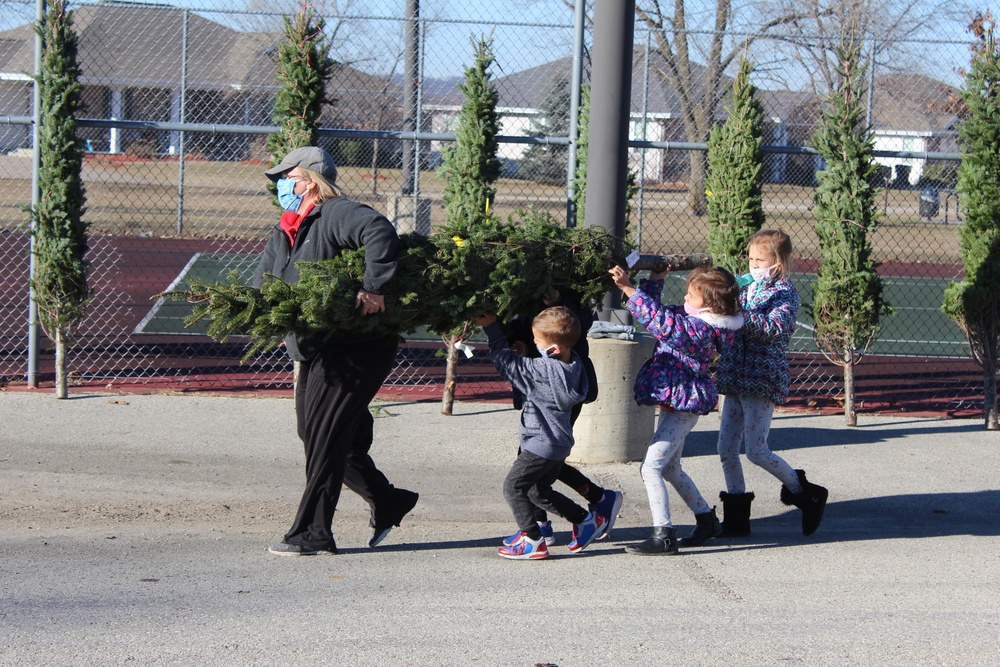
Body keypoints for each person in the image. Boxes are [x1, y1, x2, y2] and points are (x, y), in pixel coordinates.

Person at [253, 146, 418, 556]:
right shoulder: (287, 227)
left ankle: (313, 533)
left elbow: (379, 231)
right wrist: (261, 315)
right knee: (314, 433)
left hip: (355, 345)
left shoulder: (336, 212)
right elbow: (264, 280)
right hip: (316, 345)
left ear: (309, 180)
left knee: (325, 437)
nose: (280, 186)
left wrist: (374, 287)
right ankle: (386, 498)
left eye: (287, 178)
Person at [609, 263, 744, 555]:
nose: (685, 298)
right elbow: (658, 312)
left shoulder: (701, 330)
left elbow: (663, 324)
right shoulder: (697, 317)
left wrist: (629, 288)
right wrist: (655, 280)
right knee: (670, 467)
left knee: (651, 468)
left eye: (691, 296)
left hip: (684, 405)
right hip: (677, 401)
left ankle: (664, 534)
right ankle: (706, 520)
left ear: (709, 305)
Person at [714, 229, 828, 538]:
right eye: (750, 258)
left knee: (756, 449)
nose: (752, 264)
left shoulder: (784, 291)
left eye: (759, 259)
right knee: (725, 447)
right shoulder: (744, 286)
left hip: (762, 376)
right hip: (736, 373)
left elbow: (776, 327)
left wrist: (739, 317)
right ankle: (736, 519)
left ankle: (805, 492)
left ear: (777, 262)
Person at [475, 306, 607, 560]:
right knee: (538, 492)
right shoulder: (572, 362)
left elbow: (506, 363)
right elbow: (543, 371)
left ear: (553, 349)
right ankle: (585, 520)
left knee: (513, 487)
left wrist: (492, 327)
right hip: (558, 444)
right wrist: (529, 355)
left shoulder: (541, 371)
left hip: (541, 444)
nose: (534, 342)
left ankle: (532, 539)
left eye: (537, 340)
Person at [500, 290, 624, 548]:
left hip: (553, 385)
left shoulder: (566, 292)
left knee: (531, 469)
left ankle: (535, 532)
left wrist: (558, 300)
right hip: (536, 379)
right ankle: (588, 510)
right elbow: (518, 325)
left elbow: (580, 320)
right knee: (540, 470)